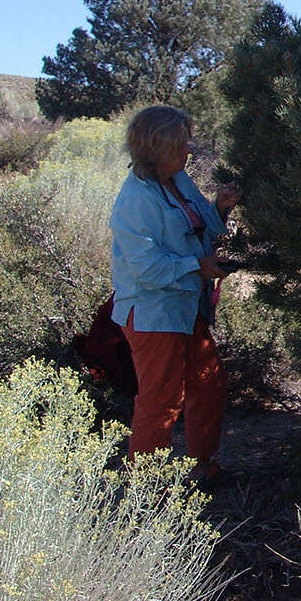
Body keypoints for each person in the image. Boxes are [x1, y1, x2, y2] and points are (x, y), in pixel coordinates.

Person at [109, 104, 240, 483]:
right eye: (182, 145)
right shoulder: (135, 200)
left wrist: (221, 206)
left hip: (184, 305)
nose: (189, 151)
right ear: (158, 148)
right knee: (161, 400)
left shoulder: (177, 179)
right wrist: (198, 266)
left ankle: (204, 470)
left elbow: (202, 221)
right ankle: (143, 491)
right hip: (153, 313)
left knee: (209, 383)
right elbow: (147, 269)